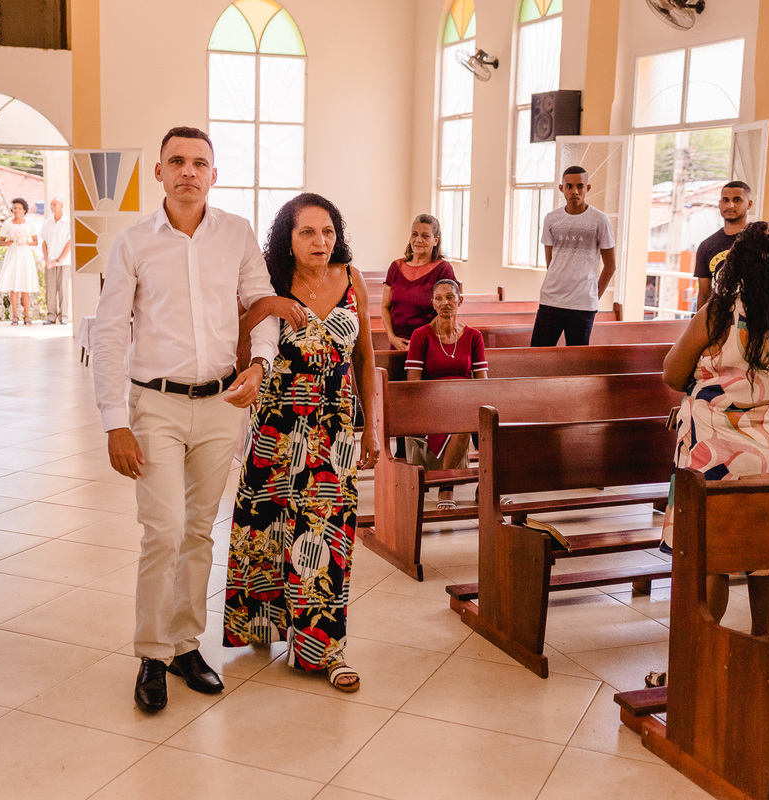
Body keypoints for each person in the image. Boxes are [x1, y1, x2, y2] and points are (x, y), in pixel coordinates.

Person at [91, 126, 279, 714]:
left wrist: (261, 363)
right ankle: (151, 652)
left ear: (214, 174)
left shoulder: (237, 233)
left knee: (198, 531)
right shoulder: (133, 243)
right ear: (160, 172)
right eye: (177, 161)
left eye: (200, 162)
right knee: (165, 530)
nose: (188, 171)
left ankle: (184, 646)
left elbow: (261, 303)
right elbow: (109, 331)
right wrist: (113, 421)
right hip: (156, 405)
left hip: (222, 405)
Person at [223, 193, 377, 693]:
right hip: (277, 426)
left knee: (326, 537)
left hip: (335, 433)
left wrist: (373, 427)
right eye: (307, 231)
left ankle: (325, 650)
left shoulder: (351, 279)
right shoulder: (269, 281)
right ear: (287, 238)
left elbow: (365, 358)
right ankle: (264, 626)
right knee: (266, 529)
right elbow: (236, 345)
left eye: (327, 231)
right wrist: (267, 306)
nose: (320, 241)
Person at [661, 221, 769, 638]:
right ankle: (761, 644)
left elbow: (672, 373)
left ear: (740, 262)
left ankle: (699, 652)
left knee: (707, 559)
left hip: (713, 448)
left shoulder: (720, 313)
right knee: (766, 558)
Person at [404, 278, 487, 510]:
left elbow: (483, 383)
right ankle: (446, 486)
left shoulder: (474, 336)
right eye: (439, 298)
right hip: (433, 402)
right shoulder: (421, 335)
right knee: (464, 426)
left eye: (450, 297)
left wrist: (474, 401)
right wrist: (441, 400)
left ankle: (487, 486)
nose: (445, 303)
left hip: (466, 400)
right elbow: (413, 383)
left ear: (460, 300)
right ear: (432, 303)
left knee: (490, 421)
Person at [532, 166, 617, 346]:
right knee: (537, 356)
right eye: (569, 186)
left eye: (580, 186)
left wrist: (593, 296)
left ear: (588, 188)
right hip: (551, 301)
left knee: (577, 359)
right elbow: (551, 262)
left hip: (582, 306)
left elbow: (611, 266)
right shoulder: (551, 219)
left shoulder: (600, 220)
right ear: (561, 188)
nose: (575, 191)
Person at [381, 214, 456, 351]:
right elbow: (385, 307)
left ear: (435, 240)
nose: (418, 240)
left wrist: (418, 340)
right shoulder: (396, 267)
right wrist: (392, 337)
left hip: (429, 344)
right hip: (398, 345)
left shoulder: (443, 269)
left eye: (425, 236)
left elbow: (447, 311)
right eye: (414, 234)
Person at [694, 181, 753, 308]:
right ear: (719, 204)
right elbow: (704, 294)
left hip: (754, 315)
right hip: (719, 316)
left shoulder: (762, 239)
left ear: (749, 204)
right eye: (725, 200)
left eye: (737, 200)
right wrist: (700, 319)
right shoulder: (706, 246)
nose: (730, 205)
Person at [0, 198, 40, 325]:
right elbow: (1, 242)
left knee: (25, 286)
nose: (17, 210)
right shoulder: (7, 224)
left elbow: (35, 242)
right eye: (15, 208)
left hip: (25, 256)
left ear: (24, 210)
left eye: (20, 208)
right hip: (13, 255)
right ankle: (15, 316)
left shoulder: (29, 224)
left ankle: (27, 316)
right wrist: (12, 241)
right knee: (14, 286)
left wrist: (25, 241)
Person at [41, 196, 72, 325]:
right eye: (51, 204)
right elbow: (44, 243)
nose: (52, 207)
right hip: (50, 263)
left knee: (63, 289)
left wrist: (58, 260)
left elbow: (69, 243)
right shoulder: (47, 222)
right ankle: (51, 316)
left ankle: (64, 316)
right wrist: (47, 260)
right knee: (50, 289)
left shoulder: (68, 222)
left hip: (64, 262)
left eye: (55, 204)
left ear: (61, 206)